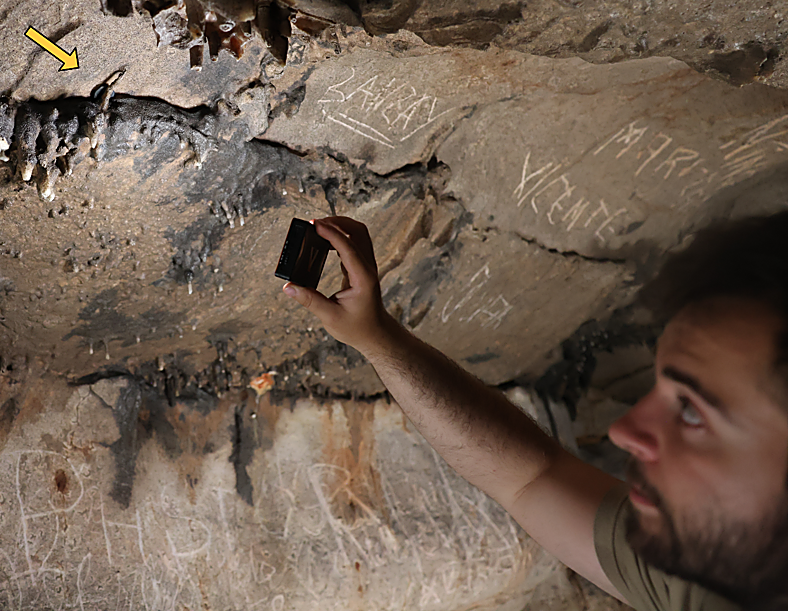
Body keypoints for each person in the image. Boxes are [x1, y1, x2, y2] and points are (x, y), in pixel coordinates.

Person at [282, 215, 788, 611]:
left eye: (694, 414)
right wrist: (376, 336)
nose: (624, 431)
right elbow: (531, 477)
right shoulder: (717, 582)